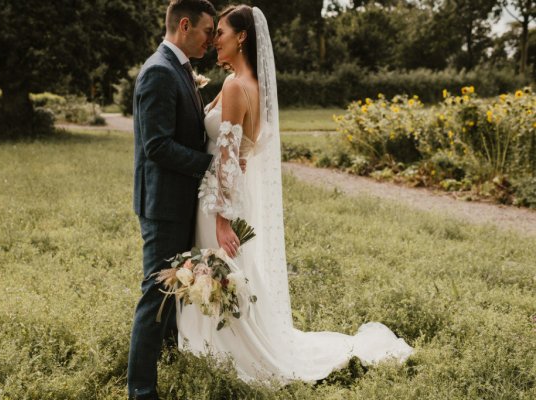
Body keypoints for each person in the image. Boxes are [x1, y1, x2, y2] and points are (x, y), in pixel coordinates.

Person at [176, 5, 414, 384]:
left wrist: (221, 221)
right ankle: (218, 345)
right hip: (232, 198)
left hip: (219, 203)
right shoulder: (248, 84)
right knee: (235, 274)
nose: (213, 39)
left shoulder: (236, 86)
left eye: (220, 32)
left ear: (241, 37)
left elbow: (226, 159)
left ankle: (229, 352)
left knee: (222, 271)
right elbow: (242, 157)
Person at [127, 1, 217, 399]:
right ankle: (141, 391)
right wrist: (210, 164)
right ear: (184, 25)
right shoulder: (160, 72)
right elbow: (157, 145)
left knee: (172, 290)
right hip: (162, 205)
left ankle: (167, 358)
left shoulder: (179, 69)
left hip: (178, 201)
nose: (212, 40)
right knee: (156, 294)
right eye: (207, 32)